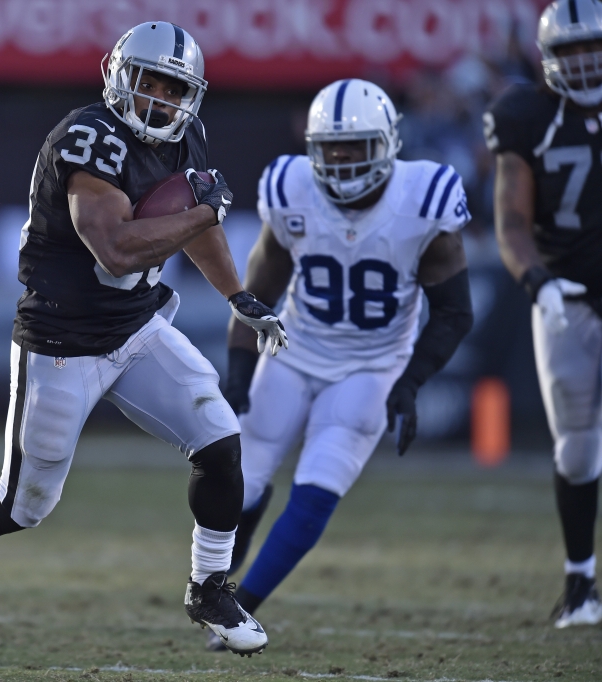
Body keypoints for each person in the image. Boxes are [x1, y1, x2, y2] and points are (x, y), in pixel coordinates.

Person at [0, 21, 286, 658]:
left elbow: (193, 220)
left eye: (172, 88)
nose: (158, 100)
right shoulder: (87, 137)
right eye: (148, 82)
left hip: (135, 328)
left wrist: (236, 294)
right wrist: (206, 209)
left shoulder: (187, 135)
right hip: (62, 344)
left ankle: (209, 586)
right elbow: (118, 247)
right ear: (117, 74)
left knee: (219, 439)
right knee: (23, 504)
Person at [211, 79, 473, 650]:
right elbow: (258, 287)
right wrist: (237, 362)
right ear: (313, 148)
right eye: (332, 148)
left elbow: (454, 312)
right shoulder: (290, 188)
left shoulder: (424, 197)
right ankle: (213, 593)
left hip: (371, 367)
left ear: (388, 144)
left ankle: (239, 611)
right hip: (293, 351)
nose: (344, 159)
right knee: (240, 483)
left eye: (356, 146)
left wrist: (409, 382)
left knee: (316, 489)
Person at [484, 0, 602, 628]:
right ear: (547, 59)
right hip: (570, 302)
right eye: (570, 50)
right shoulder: (525, 114)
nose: (584, 61)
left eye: (594, 47)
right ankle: (580, 583)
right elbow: (510, 220)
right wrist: (539, 282)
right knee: (577, 451)